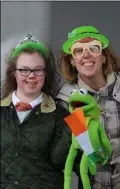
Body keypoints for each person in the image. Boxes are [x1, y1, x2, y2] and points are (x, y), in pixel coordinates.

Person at [56, 25, 120, 189]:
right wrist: (86, 170)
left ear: (104, 57)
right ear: (72, 62)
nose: (86, 54)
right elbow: (72, 147)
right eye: (78, 51)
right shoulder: (66, 98)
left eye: (93, 48)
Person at [0, 33, 72, 189]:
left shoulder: (63, 114)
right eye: (24, 70)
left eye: (38, 70)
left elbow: (86, 159)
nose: (31, 76)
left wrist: (79, 123)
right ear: (14, 72)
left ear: (46, 73)